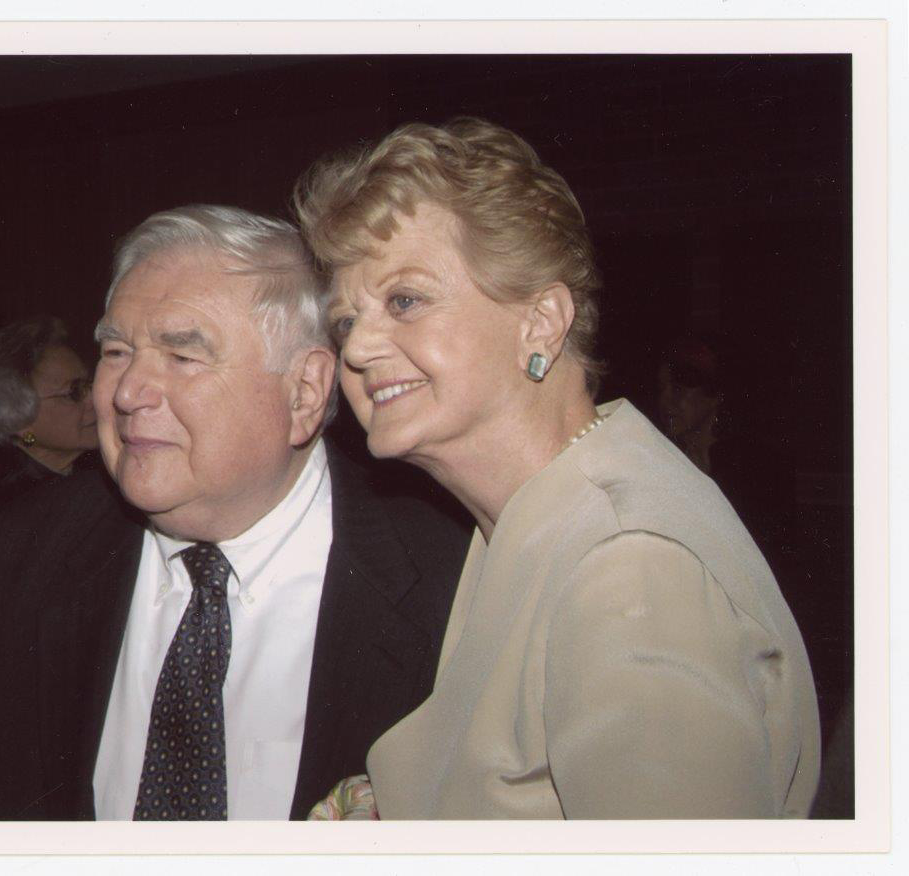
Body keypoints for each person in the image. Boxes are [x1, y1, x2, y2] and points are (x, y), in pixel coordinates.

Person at [293, 117, 821, 819]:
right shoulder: (532, 516)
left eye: (405, 301)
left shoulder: (627, 565)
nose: (358, 349)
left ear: (541, 321)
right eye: (346, 321)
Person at [0, 205, 471, 821]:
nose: (127, 392)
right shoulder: (31, 548)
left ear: (304, 391)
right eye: (115, 351)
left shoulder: (448, 575)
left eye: (181, 355)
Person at [0, 316, 100, 510]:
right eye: (74, 392)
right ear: (18, 417)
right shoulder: (3, 500)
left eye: (89, 384)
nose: (94, 399)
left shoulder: (99, 474)